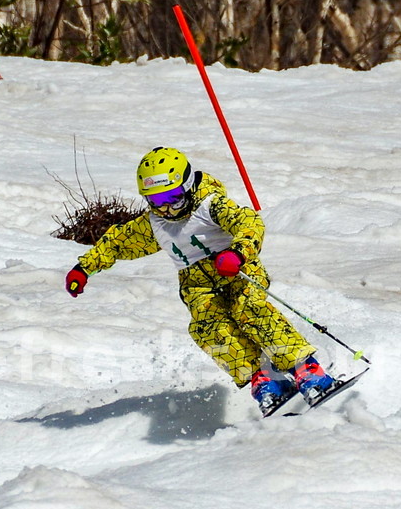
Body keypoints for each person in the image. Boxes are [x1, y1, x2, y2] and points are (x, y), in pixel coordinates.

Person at [64, 146, 334, 415]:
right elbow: (117, 243)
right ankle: (264, 380)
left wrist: (238, 252)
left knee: (248, 309)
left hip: (236, 270)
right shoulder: (154, 224)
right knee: (206, 329)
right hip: (197, 287)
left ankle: (307, 370)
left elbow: (248, 222)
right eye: (157, 201)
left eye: (173, 197)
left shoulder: (211, 205)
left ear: (189, 184)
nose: (167, 208)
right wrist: (84, 268)